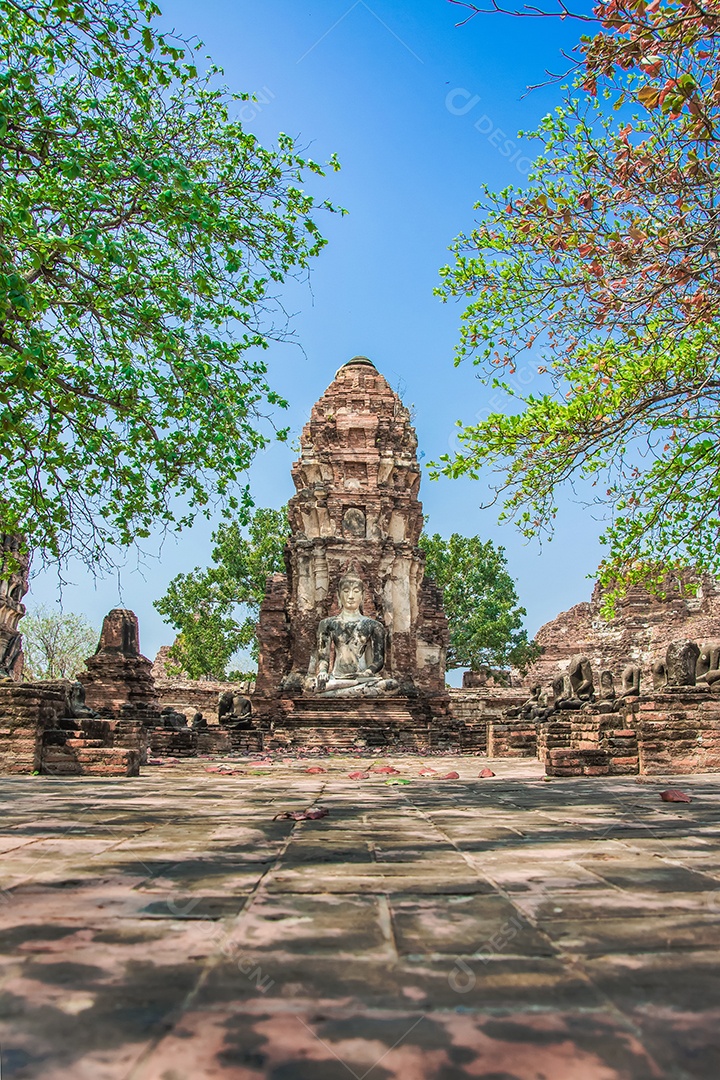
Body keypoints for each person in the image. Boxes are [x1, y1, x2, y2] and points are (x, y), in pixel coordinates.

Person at [310, 572, 398, 698]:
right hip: (336, 678)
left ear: (362, 596)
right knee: (310, 685)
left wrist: (368, 672)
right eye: (346, 591)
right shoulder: (327, 624)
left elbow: (378, 661)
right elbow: (323, 657)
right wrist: (323, 672)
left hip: (363, 678)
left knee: (392, 685)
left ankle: (340, 692)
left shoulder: (374, 626)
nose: (351, 596)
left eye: (356, 591)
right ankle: (350, 691)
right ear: (339, 595)